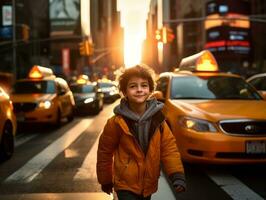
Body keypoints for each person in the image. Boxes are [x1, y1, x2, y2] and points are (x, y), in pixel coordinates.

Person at [97, 64, 186, 200]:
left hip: (148, 183)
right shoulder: (115, 123)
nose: (139, 90)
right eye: (133, 86)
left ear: (150, 90)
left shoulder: (159, 120)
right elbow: (105, 152)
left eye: (144, 85)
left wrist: (177, 175)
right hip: (125, 184)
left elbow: (169, 149)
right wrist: (106, 179)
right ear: (125, 91)